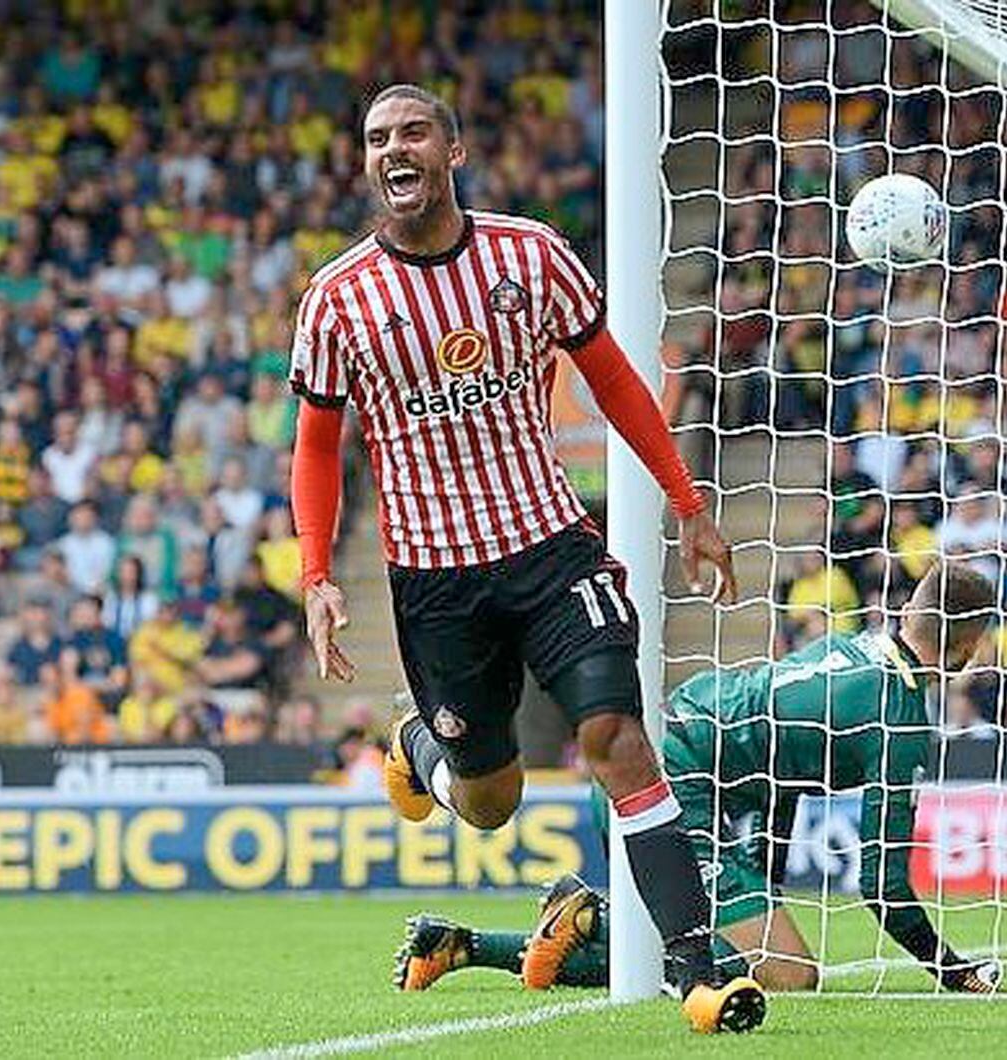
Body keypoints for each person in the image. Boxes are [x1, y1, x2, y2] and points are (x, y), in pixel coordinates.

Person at [290, 84, 754, 1034]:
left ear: (452, 152)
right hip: (435, 584)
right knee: (491, 803)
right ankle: (420, 741)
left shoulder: (529, 255)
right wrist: (316, 573)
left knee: (615, 741)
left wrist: (688, 501)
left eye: (413, 131)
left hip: (549, 548)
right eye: (377, 138)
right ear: (367, 163)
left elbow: (616, 381)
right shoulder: (339, 299)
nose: (394, 148)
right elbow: (314, 445)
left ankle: (698, 971)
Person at [394, 563, 1003, 998]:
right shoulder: (897, 717)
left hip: (634, 748)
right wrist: (951, 970)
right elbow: (882, 883)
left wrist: (764, 887)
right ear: (969, 647)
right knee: (787, 971)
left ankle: (463, 946)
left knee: (703, 953)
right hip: (670, 786)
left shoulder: (850, 647)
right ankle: (593, 919)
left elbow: (778, 779)